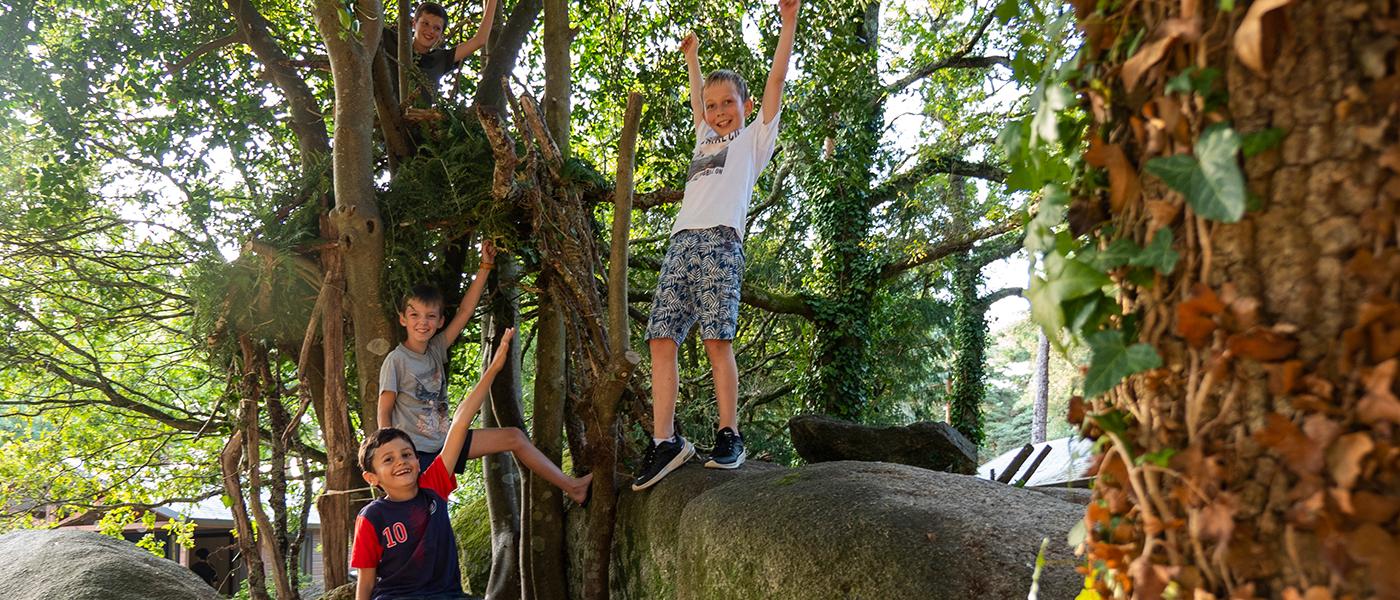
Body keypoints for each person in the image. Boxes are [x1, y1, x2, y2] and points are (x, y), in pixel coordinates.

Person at [632, 0, 801, 491]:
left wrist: (787, 23)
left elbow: (774, 84)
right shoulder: (704, 134)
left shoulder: (753, 140)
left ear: (746, 108)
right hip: (681, 243)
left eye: (729, 102)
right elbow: (694, 97)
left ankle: (729, 434)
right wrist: (693, 59)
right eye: (713, 104)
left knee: (715, 338)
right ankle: (666, 441)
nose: (719, 111)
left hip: (721, 243)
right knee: (661, 338)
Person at [352, 328, 593, 600]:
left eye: (407, 454)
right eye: (388, 459)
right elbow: (366, 582)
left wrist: (493, 369)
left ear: (419, 462)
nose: (401, 462)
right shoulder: (372, 517)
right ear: (372, 478)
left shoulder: (434, 487)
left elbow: (461, 421)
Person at [378, 239, 495, 474]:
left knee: (514, 437)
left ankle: (573, 487)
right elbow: (384, 411)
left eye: (430, 316)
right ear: (403, 318)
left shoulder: (436, 348)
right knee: (432, 510)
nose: (423, 322)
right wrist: (393, 455)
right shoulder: (396, 360)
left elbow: (465, 312)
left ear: (440, 321)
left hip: (446, 444)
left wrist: (485, 266)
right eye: (415, 315)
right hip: (416, 455)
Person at [407, 0, 497, 99]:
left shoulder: (440, 59)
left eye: (437, 28)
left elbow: (479, 40)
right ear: (414, 24)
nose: (430, 31)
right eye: (425, 23)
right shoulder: (391, 41)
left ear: (441, 35)